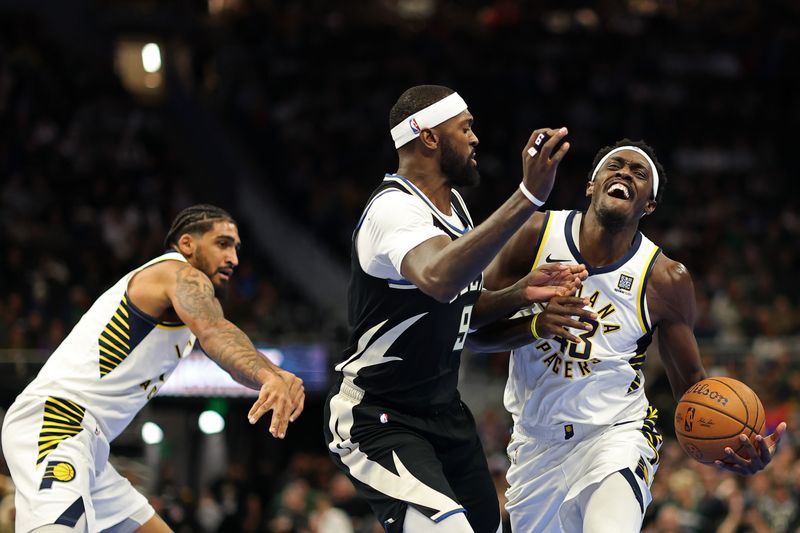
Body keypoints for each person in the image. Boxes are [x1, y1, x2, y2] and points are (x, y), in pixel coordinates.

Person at [469, 139, 788, 532]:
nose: (624, 174)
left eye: (639, 173)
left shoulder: (665, 278)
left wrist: (730, 445)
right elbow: (469, 331)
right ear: (591, 184)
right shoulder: (535, 233)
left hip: (616, 435)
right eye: (615, 166)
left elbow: (691, 388)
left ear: (649, 205)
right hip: (535, 445)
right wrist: (534, 324)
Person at [323, 84, 591, 533]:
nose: (475, 139)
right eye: (465, 128)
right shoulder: (394, 209)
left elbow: (459, 310)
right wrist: (527, 197)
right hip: (379, 417)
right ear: (429, 137)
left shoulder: (456, 208)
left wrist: (525, 297)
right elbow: (439, 279)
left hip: (444, 414)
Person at [1, 204, 305, 533]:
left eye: (236, 248)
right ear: (187, 244)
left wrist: (271, 373)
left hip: (91, 443)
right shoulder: (178, 274)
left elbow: (221, 342)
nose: (233, 257)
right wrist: (268, 375)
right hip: (58, 420)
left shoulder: (180, 302)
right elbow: (216, 332)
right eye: (222, 244)